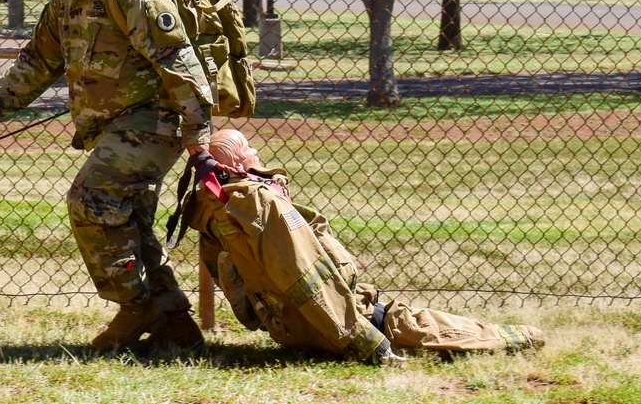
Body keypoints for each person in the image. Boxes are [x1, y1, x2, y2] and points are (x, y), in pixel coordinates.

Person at [0, 0, 214, 353]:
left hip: (154, 121)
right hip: (114, 129)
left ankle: (135, 304)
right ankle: (176, 327)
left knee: (92, 200)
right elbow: (38, 60)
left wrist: (199, 138)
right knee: (132, 224)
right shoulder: (65, 2)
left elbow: (178, 61)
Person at [198, 129, 546, 361]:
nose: (256, 151)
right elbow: (306, 278)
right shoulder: (263, 205)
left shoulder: (216, 211)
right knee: (416, 325)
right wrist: (365, 340)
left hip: (290, 331)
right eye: (248, 149)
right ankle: (520, 337)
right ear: (233, 164)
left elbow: (243, 300)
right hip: (341, 324)